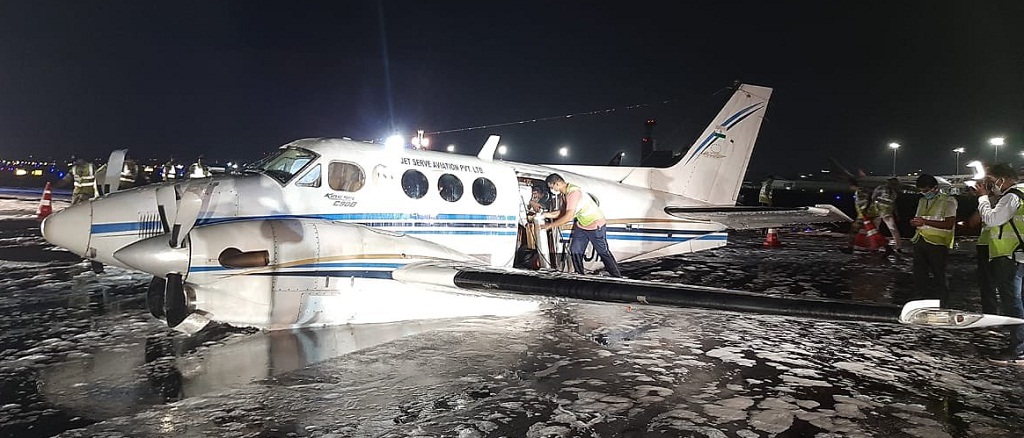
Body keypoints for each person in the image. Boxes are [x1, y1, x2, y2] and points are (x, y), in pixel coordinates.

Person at [974, 163, 1024, 364]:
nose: (991, 185)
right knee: (1020, 302)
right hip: (1020, 254)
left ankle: (1018, 349)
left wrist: (983, 198)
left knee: (1013, 304)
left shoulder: (1012, 196)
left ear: (1002, 179)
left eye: (992, 181)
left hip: (1010, 255)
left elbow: (992, 219)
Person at [540, 173, 622, 277]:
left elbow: (568, 216)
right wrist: (545, 215)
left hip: (595, 224)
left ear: (557, 184)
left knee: (603, 252)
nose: (551, 190)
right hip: (582, 225)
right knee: (575, 250)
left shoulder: (573, 193)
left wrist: (550, 226)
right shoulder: (565, 194)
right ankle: (580, 275)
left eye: (551, 187)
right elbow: (562, 212)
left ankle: (617, 276)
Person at [909, 173, 959, 308]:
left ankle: (944, 302)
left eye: (925, 190)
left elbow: (949, 224)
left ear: (935, 188)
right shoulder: (922, 200)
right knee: (919, 274)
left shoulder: (948, 201)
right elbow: (920, 218)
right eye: (921, 191)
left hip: (938, 243)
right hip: (920, 240)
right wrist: (915, 223)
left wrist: (924, 221)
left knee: (939, 274)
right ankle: (920, 300)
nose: (923, 193)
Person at [842, 178, 875, 253]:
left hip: (863, 215)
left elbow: (866, 202)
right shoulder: (862, 190)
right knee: (873, 233)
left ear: (851, 185)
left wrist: (863, 213)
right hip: (866, 215)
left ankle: (850, 248)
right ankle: (885, 248)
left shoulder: (860, 192)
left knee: (853, 231)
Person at [872, 177, 903, 252]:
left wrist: (896, 213)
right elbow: (873, 198)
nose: (895, 185)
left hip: (887, 213)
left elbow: (893, 203)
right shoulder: (880, 188)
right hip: (878, 212)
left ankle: (898, 247)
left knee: (893, 230)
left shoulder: (894, 192)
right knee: (874, 230)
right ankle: (873, 246)